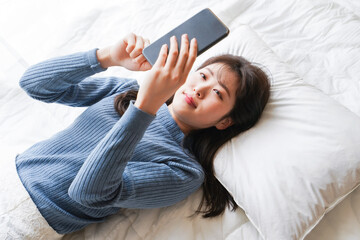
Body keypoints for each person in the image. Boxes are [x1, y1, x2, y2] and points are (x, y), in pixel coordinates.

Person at [1, 33, 270, 239]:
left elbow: (87, 193)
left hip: (26, 221)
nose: (201, 89)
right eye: (203, 75)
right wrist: (105, 57)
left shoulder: (183, 171)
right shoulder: (127, 92)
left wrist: (145, 109)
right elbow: (34, 85)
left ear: (225, 122)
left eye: (218, 93)